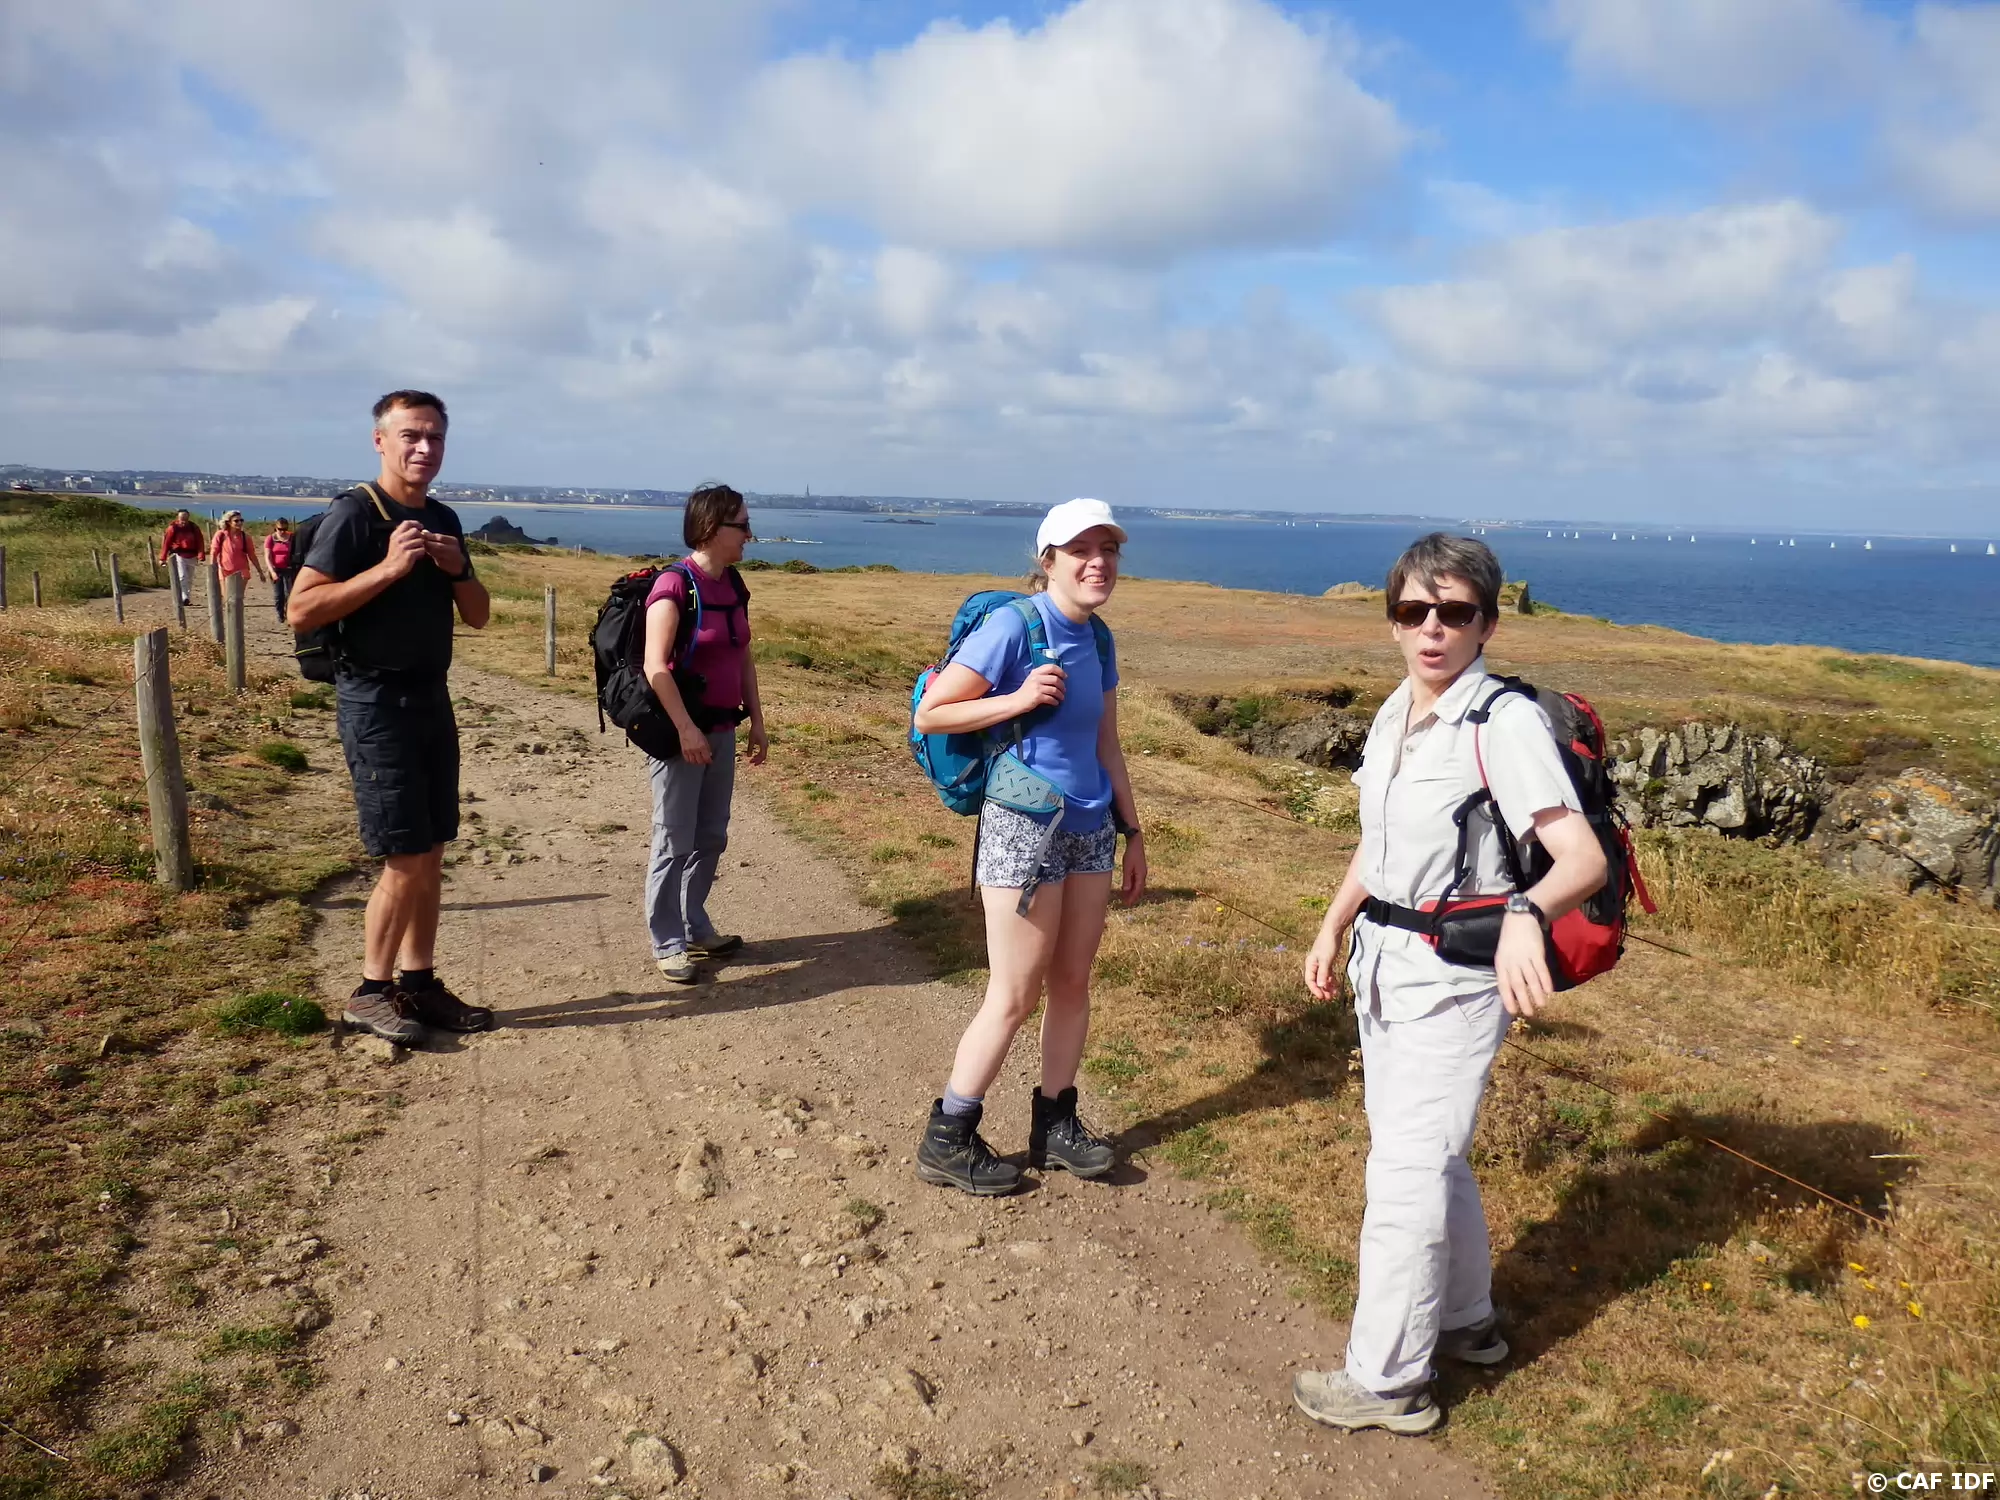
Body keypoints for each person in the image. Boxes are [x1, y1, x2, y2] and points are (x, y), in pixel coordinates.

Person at [1291, 533, 1607, 1436]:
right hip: (1385, 964)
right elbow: (1383, 841)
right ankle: (1466, 1321)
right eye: (1414, 611)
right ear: (1393, 622)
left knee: (1404, 1174)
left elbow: (1580, 859)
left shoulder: (1500, 724)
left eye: (1455, 612)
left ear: (1487, 625)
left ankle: (1388, 1381)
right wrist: (1335, 921)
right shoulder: (1398, 710)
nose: (1432, 628)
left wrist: (1527, 913)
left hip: (1454, 979)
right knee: (1428, 1157)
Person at [909, 498, 1146, 1196]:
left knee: (1072, 984)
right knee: (1013, 994)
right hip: (1024, 827)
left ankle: (1056, 1123)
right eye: (1082, 550)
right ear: (1049, 561)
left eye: (1108, 550)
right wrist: (1017, 699)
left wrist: (1133, 833)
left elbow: (1106, 744)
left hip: (1090, 830)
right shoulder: (1015, 625)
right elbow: (933, 712)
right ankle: (948, 1136)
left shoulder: (1099, 639)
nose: (1098, 563)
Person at [288, 391, 494, 1045]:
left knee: (430, 851)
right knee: (405, 855)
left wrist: (457, 570)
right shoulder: (355, 514)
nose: (425, 448)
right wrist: (388, 568)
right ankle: (369, 994)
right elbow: (301, 609)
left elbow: (479, 615)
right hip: (374, 700)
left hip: (431, 696)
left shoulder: (443, 517)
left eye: (435, 437)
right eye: (411, 435)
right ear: (380, 440)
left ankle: (419, 984)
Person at [639, 483, 768, 984]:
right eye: (742, 525)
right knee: (673, 838)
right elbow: (656, 666)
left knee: (711, 835)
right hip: (680, 736)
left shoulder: (733, 585)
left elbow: (742, 656)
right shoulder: (674, 585)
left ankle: (695, 924)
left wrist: (756, 719)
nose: (749, 534)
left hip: (721, 729)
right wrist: (686, 729)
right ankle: (667, 941)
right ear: (712, 528)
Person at [212, 511, 271, 595]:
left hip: (242, 571)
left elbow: (252, 555)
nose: (239, 523)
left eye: (241, 520)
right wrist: (212, 569)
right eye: (236, 521)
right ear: (228, 522)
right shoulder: (221, 535)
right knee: (227, 596)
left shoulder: (245, 537)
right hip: (225, 570)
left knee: (238, 597)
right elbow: (214, 552)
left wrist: (260, 571)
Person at [159, 509, 206, 607]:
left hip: (192, 555)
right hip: (178, 554)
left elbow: (200, 541)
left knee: (189, 578)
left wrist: (201, 554)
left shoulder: (194, 527)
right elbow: (166, 543)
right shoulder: (173, 528)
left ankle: (186, 597)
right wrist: (162, 558)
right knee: (182, 576)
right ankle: (183, 597)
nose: (183, 520)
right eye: (181, 518)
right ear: (178, 518)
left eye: (185, 518)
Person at [264, 518, 297, 622]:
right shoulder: (271, 538)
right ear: (276, 528)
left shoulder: (292, 538)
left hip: (289, 569)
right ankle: (280, 613)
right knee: (279, 594)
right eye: (280, 529)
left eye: (285, 529)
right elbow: (267, 556)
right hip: (276, 569)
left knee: (289, 593)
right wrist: (272, 571)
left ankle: (289, 614)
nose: (282, 532)